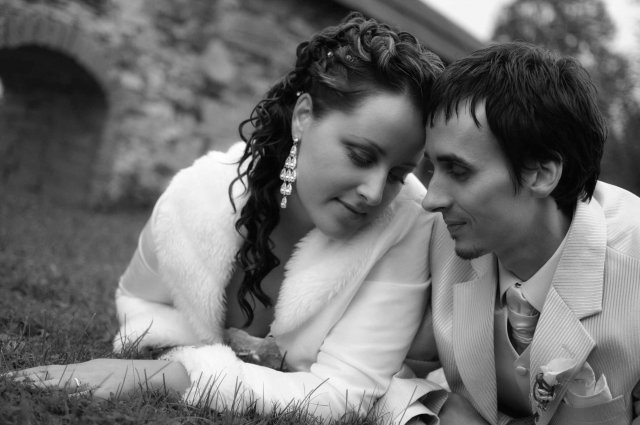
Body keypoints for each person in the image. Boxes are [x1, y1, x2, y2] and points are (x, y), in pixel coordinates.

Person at [11, 12, 447, 422]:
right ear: (303, 117)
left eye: (398, 174)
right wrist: (179, 348)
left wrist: (172, 374)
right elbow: (139, 301)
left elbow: (343, 393)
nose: (375, 192)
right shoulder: (197, 198)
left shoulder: (407, 223)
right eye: (360, 155)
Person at [382, 41, 640, 425]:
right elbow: (379, 371)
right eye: (433, 169)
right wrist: (439, 407)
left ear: (542, 173)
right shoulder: (440, 236)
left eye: (459, 171)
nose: (431, 200)